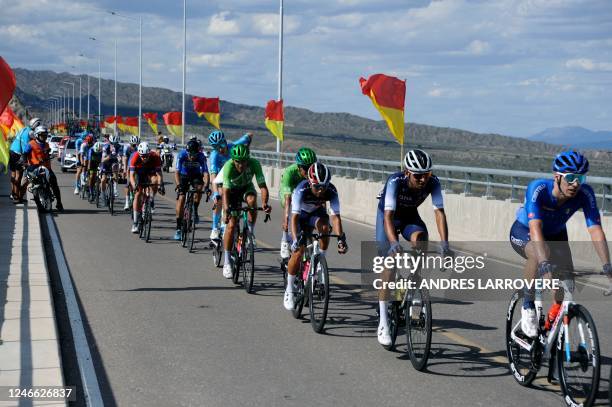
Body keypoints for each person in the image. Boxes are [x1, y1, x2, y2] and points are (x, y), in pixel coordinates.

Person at [510, 151, 611, 338]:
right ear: (557, 177)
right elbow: (535, 228)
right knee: (541, 253)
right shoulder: (538, 189)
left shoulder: (585, 193)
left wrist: (607, 265)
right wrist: (544, 264)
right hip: (526, 231)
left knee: (566, 286)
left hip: (556, 235)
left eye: (580, 178)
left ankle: (550, 322)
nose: (575, 184)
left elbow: (596, 230)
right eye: (571, 178)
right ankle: (528, 305)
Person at [375, 149, 451, 346]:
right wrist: (394, 243)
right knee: (389, 266)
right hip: (388, 217)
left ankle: (415, 279)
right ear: (407, 172)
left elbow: (439, 213)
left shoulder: (433, 182)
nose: (423, 180)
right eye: (418, 175)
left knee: (421, 239)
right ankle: (383, 321)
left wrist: (445, 244)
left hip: (409, 216)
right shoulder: (395, 181)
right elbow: (388, 217)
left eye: (427, 174)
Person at [283, 163, 348, 310]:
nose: (320, 190)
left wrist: (340, 239)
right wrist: (295, 240)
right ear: (310, 182)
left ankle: (320, 262)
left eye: (323, 186)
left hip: (315, 215)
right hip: (299, 216)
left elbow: (336, 217)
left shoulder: (331, 190)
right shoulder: (301, 189)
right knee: (298, 251)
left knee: (325, 228)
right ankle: (289, 290)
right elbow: (293, 218)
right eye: (317, 186)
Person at [221, 144, 270, 278]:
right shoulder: (228, 166)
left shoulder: (254, 164)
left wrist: (265, 203)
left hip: (246, 188)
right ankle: (227, 262)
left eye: (244, 161)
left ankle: (250, 231)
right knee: (231, 226)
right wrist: (226, 210)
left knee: (252, 202)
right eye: (238, 161)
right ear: (233, 160)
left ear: (248, 159)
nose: (241, 165)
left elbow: (263, 187)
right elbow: (225, 192)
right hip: (232, 192)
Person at [208, 130, 252, 240]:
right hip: (220, 179)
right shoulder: (214, 155)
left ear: (225, 141)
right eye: (216, 147)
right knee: (220, 197)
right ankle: (215, 228)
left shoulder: (233, 146)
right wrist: (215, 193)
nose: (220, 149)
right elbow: (213, 176)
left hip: (233, 179)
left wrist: (248, 143)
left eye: (222, 145)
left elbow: (249, 136)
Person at [279, 148, 318, 259]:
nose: (309, 171)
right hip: (288, 194)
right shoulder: (289, 173)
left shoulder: (314, 172)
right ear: (299, 167)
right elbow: (287, 198)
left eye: (311, 166)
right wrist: (286, 218)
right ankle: (285, 240)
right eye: (306, 168)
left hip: (303, 194)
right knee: (292, 207)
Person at [173, 139, 210, 240]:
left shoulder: (201, 157)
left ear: (198, 152)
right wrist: (178, 185)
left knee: (199, 189)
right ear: (187, 151)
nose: (192, 156)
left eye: (194, 154)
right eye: (190, 154)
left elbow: (206, 173)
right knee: (181, 198)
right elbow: (176, 172)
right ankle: (178, 228)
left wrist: (206, 186)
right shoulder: (182, 155)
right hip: (183, 176)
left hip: (196, 176)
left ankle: (195, 210)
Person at [22, 126, 63, 211]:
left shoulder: (47, 144)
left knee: (54, 183)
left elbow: (47, 154)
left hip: (46, 167)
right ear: (37, 135)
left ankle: (59, 203)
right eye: (42, 135)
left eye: (45, 135)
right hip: (34, 167)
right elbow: (24, 154)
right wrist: (25, 162)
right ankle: (19, 197)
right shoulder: (30, 144)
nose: (44, 137)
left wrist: (49, 155)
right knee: (30, 184)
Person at [128, 142, 164, 233]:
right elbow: (131, 175)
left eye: (146, 156)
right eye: (142, 156)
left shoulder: (155, 156)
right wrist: (134, 185)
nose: (144, 158)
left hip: (150, 171)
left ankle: (151, 198)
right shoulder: (135, 157)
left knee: (155, 181)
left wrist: (161, 185)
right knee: (138, 194)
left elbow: (159, 174)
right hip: (139, 172)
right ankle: (135, 223)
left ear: (149, 154)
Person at [9, 117, 40, 203]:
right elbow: (25, 149)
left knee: (13, 174)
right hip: (18, 153)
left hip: (12, 150)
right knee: (18, 176)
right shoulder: (29, 133)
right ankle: (16, 197)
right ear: (35, 125)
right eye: (38, 125)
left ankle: (13, 194)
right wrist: (27, 161)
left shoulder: (25, 128)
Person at [122, 135, 140, 210]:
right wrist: (125, 169)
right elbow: (125, 159)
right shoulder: (127, 148)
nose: (135, 146)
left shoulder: (140, 148)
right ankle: (126, 202)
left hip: (138, 166)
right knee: (128, 184)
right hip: (130, 165)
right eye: (133, 145)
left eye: (136, 145)